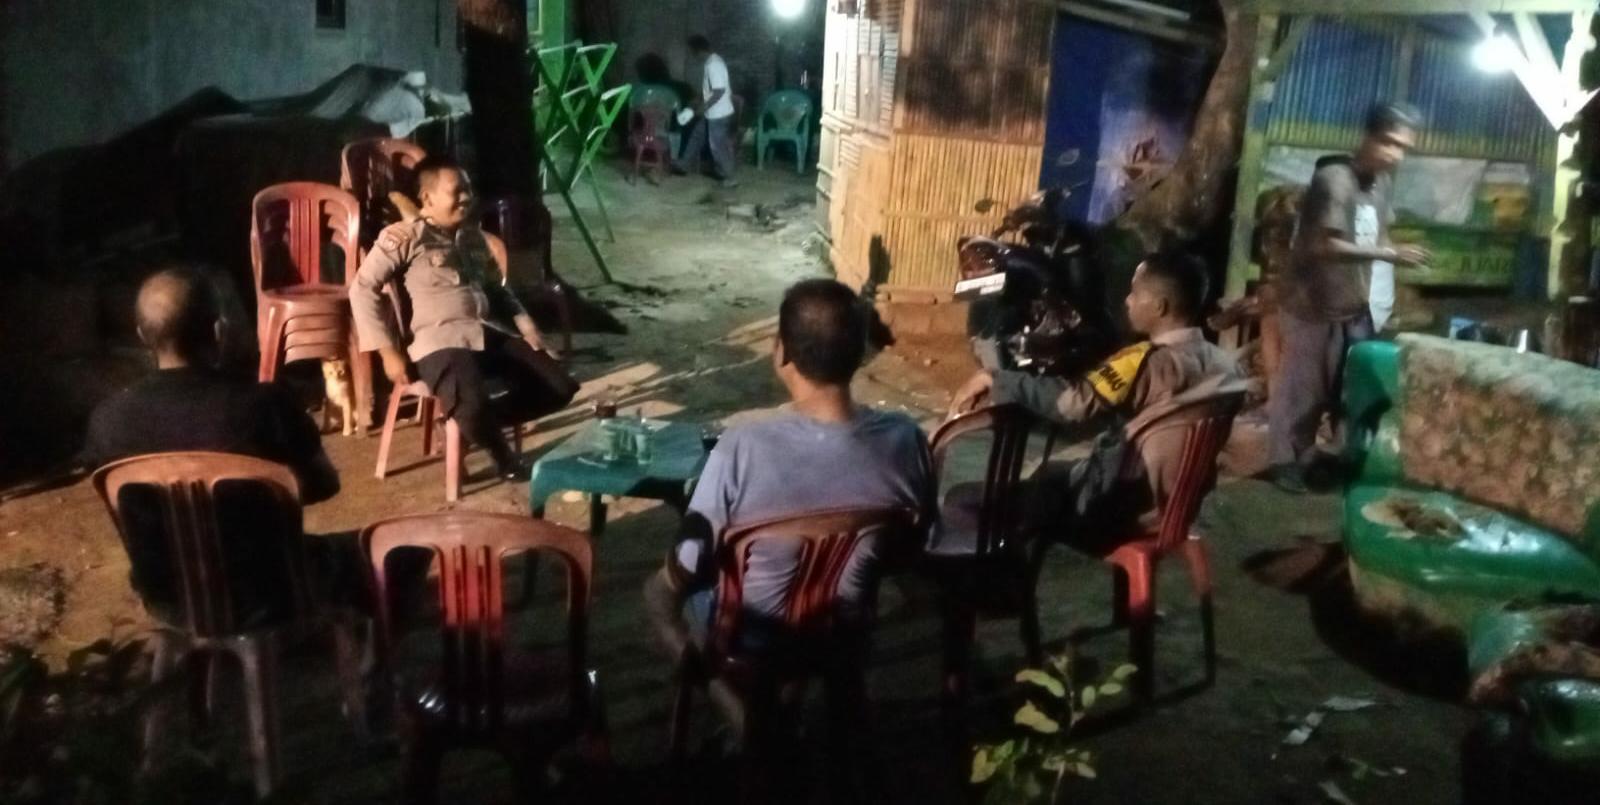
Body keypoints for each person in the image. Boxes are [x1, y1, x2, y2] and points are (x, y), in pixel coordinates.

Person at [643, 278, 934, 674]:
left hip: (750, 634)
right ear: (860, 353)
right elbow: (911, 546)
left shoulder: (741, 448)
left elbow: (688, 564)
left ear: (781, 352)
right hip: (844, 628)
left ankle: (729, 701)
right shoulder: (906, 438)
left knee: (659, 593)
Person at [82, 265, 343, 624]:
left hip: (170, 600)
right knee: (377, 557)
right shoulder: (265, 405)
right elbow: (324, 484)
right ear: (219, 330)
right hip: (269, 592)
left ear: (142, 336)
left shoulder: (107, 420)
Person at [948, 253, 1245, 547]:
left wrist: (996, 379)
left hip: (1113, 510)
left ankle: (1001, 572)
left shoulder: (1141, 362)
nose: (1127, 300)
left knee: (965, 498)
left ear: (1159, 306)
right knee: (1050, 474)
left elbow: (1071, 404)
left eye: (1135, 292)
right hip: (1179, 508)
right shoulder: (1227, 365)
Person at [350, 157, 578, 482]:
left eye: (468, 190)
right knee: (472, 405)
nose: (466, 198)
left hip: (484, 333)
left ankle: (465, 424)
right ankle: (504, 458)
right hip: (439, 342)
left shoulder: (471, 239)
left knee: (559, 385)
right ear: (427, 198)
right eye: (456, 191)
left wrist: (528, 327)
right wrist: (387, 352)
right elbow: (362, 288)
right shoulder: (405, 237)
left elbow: (497, 291)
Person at [1268, 102, 1431, 493]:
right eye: (1389, 143)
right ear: (1368, 137)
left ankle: (1325, 458)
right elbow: (1324, 245)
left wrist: (1383, 287)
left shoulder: (1381, 184)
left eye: (1403, 148)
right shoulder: (1335, 179)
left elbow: (1378, 234)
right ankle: (1284, 462)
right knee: (1303, 392)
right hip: (1312, 303)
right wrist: (1389, 254)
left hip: (1352, 304)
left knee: (1346, 389)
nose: (1396, 155)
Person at [671, 34, 739, 188]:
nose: (690, 55)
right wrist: (699, 99)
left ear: (697, 50)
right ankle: (684, 165)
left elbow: (719, 91)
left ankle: (730, 177)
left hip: (718, 114)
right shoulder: (713, 61)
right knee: (697, 136)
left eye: (691, 51)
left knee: (717, 146)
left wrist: (703, 107)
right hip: (713, 112)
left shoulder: (713, 65)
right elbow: (712, 89)